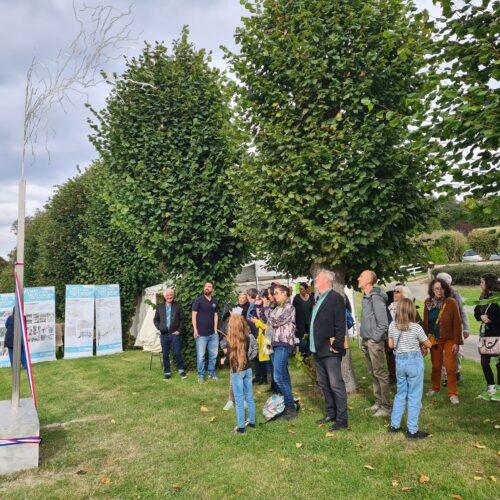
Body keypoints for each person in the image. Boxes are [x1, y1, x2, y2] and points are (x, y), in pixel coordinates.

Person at [388, 299, 432, 439]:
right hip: (414, 362)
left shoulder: (392, 325)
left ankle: (394, 425)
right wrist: (422, 343)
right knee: (414, 395)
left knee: (400, 393)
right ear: (411, 311)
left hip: (399, 362)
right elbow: (429, 344)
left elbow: (391, 345)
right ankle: (412, 430)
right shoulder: (416, 327)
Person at [310, 271, 348, 431]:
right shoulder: (320, 298)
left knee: (336, 385)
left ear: (326, 281)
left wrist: (337, 346)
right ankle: (331, 413)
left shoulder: (335, 298)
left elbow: (340, 324)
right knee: (324, 384)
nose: (315, 281)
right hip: (318, 349)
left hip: (330, 349)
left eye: (317, 279)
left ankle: (342, 419)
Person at [424, 278, 463, 404]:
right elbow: (426, 323)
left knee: (450, 366)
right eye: (436, 288)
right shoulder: (427, 303)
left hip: (449, 339)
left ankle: (453, 393)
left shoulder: (451, 302)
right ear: (432, 290)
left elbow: (457, 322)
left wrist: (457, 342)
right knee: (436, 365)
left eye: (441, 288)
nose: (439, 291)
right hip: (434, 339)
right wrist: (424, 341)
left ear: (445, 289)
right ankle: (435, 388)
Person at [358, 270, 391, 417]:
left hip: (374, 342)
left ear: (369, 281)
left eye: (362, 276)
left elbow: (383, 324)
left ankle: (386, 407)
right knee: (373, 373)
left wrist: (374, 339)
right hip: (367, 340)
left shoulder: (376, 298)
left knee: (380, 373)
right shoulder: (366, 297)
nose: (358, 278)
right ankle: (378, 402)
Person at [222, 310, 258, 434]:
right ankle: (252, 422)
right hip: (248, 369)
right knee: (249, 397)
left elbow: (229, 359)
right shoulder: (247, 337)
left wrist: (223, 360)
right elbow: (249, 353)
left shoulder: (231, 340)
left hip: (237, 372)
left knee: (239, 400)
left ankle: (241, 428)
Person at [268, 285, 297, 419]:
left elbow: (276, 321)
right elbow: (269, 327)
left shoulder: (290, 307)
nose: (275, 296)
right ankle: (289, 406)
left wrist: (269, 315)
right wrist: (267, 347)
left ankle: (290, 406)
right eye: (274, 294)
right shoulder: (275, 308)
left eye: (277, 293)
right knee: (284, 376)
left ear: (285, 293)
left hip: (284, 344)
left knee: (278, 377)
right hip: (274, 345)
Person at [437, 272, 470, 384]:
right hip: (440, 328)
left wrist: (466, 328)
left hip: (455, 328)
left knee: (457, 352)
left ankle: (456, 373)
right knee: (443, 353)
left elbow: (462, 311)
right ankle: (446, 377)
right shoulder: (434, 295)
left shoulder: (455, 294)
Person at [474, 273, 500, 396]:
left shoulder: (498, 298)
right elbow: (476, 312)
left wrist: (490, 320)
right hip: (485, 335)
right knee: (484, 362)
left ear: (488, 283)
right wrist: (481, 317)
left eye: (482, 282)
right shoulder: (482, 296)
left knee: (499, 364)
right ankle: (491, 386)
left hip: (498, 334)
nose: (480, 284)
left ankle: (499, 388)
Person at [153, 288, 186, 380]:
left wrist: (179, 330)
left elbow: (182, 319)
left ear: (173, 295)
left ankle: (181, 371)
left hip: (174, 334)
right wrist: (160, 327)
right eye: (167, 295)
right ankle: (167, 373)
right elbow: (156, 319)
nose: (169, 297)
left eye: (171, 295)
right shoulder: (159, 307)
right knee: (165, 354)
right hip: (164, 334)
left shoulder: (178, 305)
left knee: (177, 353)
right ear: (164, 296)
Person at [387, 284, 417, 383]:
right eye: (394, 291)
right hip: (392, 340)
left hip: (407, 342)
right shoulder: (389, 307)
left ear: (404, 295)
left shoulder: (410, 308)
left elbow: (416, 324)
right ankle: (393, 377)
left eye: (397, 292)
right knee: (392, 360)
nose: (394, 293)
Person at [192, 282, 219, 383]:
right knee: (201, 357)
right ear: (204, 288)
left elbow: (216, 315)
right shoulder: (198, 300)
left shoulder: (215, 301)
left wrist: (215, 330)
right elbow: (194, 315)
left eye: (210, 286)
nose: (207, 288)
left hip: (213, 334)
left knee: (213, 356)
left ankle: (211, 373)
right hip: (201, 335)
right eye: (206, 286)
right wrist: (195, 330)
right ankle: (201, 375)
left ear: (212, 289)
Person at [292, 282, 315, 356]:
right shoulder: (296, 298)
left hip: (310, 322)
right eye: (300, 289)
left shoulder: (311, 297)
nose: (300, 290)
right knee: (302, 340)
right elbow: (293, 312)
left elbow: (314, 308)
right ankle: (302, 354)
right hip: (300, 323)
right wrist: (294, 324)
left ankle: (308, 354)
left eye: (302, 289)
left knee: (309, 339)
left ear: (306, 289)